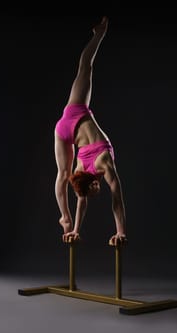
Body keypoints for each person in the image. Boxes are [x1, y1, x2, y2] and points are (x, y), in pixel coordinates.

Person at [54, 16, 127, 247]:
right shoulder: (82, 172)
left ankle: (99, 34)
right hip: (65, 130)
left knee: (86, 68)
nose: (99, 187)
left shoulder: (103, 163)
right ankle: (65, 218)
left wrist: (120, 231)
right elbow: (82, 200)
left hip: (74, 114)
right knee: (64, 175)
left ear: (92, 182)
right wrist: (75, 230)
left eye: (95, 187)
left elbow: (117, 197)